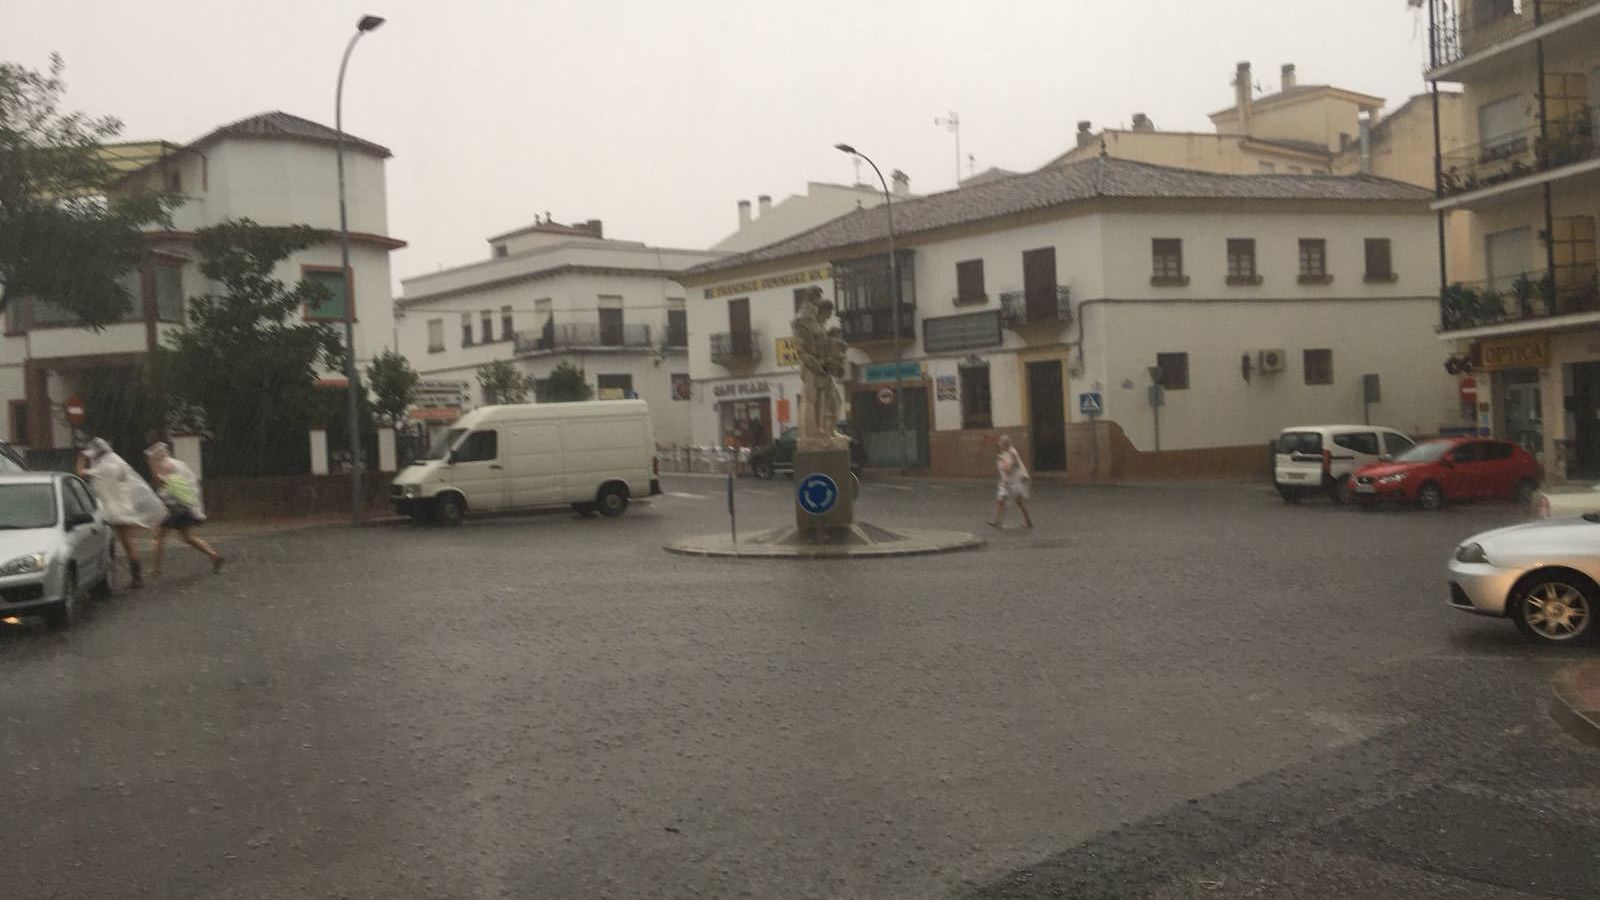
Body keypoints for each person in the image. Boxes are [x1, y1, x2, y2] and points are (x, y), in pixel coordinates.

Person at [77, 437, 166, 588]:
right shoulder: (117, 462)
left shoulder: (102, 467)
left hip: (112, 509)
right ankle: (136, 576)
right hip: (123, 505)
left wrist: (80, 458)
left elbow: (79, 473)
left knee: (113, 540)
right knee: (126, 540)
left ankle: (125, 576)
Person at [144, 442, 224, 576]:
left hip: (172, 507)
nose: (150, 462)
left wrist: (156, 476)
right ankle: (214, 555)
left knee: (158, 536)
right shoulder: (179, 464)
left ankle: (156, 569)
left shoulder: (164, 466)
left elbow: (165, 486)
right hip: (185, 506)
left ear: (158, 456)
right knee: (187, 537)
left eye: (151, 459)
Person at [989, 435, 1034, 529]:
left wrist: (1004, 466)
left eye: (1001, 442)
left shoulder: (1012, 452)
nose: (999, 444)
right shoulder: (1006, 452)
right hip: (1010, 481)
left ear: (1005, 443)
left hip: (1015, 481)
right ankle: (997, 521)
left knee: (1018, 502)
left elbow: (1009, 468)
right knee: (1002, 501)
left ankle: (1028, 522)